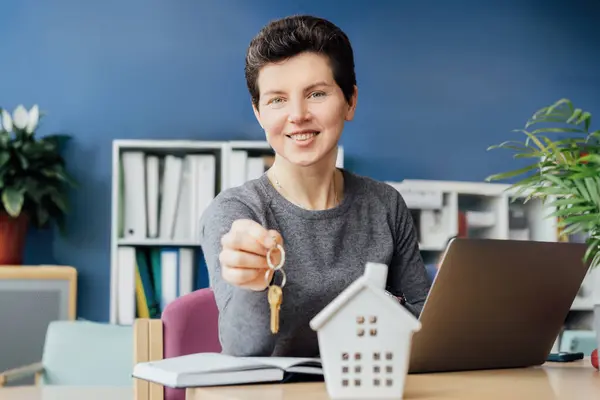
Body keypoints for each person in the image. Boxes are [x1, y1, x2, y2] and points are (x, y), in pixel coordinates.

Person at [199, 15, 431, 357]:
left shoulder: (384, 204)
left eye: (317, 94)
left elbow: (424, 319)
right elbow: (243, 350)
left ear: (350, 101)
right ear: (259, 113)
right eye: (277, 99)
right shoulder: (237, 213)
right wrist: (253, 285)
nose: (298, 114)